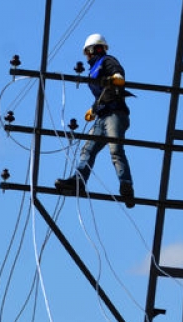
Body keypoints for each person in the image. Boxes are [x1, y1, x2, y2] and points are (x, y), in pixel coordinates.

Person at [55, 33, 136, 207]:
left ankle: (126, 186)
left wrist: (114, 78)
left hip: (115, 113)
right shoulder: (93, 69)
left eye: (87, 52)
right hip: (103, 114)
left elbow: (119, 77)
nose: (86, 56)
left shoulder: (107, 61)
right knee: (87, 150)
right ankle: (78, 181)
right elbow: (103, 93)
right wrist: (94, 109)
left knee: (115, 149)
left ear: (93, 49)